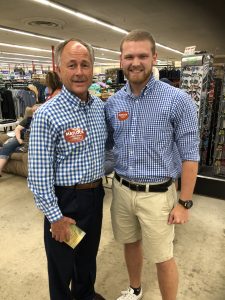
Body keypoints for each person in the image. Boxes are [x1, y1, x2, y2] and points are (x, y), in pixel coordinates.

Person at [105, 30, 199, 300]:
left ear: (154, 57)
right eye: (129, 56)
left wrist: (185, 202)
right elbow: (109, 145)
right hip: (121, 190)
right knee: (130, 244)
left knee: (163, 256)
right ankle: (135, 290)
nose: (136, 62)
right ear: (121, 60)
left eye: (142, 56)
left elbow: (190, 155)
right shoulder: (113, 103)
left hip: (158, 195)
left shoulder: (178, 100)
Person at [28, 39, 107, 300]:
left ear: (93, 68)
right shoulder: (47, 114)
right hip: (65, 201)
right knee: (62, 267)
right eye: (71, 65)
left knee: (86, 260)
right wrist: (55, 217)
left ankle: (85, 296)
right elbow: (39, 175)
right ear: (59, 70)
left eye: (85, 64)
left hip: (94, 196)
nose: (79, 72)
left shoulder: (99, 108)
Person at [0, 104, 40, 176]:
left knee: (9, 146)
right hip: (20, 138)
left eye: (37, 111)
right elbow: (17, 129)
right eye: (33, 112)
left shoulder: (43, 121)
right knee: (8, 146)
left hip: (30, 142)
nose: (35, 113)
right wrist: (19, 139)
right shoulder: (28, 119)